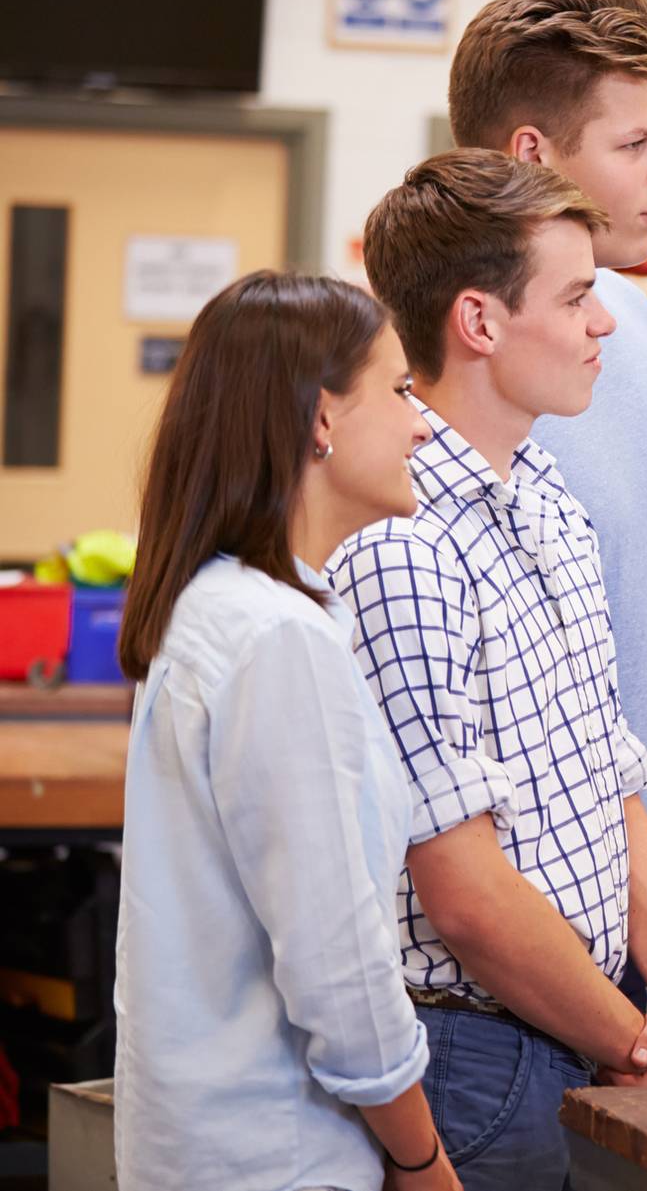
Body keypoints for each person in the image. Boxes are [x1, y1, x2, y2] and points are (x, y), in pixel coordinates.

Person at [335, 149, 647, 1189]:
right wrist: (635, 1039)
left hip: (580, 1032)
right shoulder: (402, 538)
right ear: (479, 322)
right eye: (580, 295)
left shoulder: (546, 487)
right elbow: (461, 890)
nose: (606, 324)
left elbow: (606, 765)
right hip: (472, 1055)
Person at [114, 271, 458, 1191]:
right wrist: (421, 1156)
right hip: (279, 1153)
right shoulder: (278, 638)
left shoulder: (223, 607)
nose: (421, 424)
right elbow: (338, 968)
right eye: (397, 391)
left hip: (205, 1143)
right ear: (320, 418)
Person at [449, 0, 647, 846]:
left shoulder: (629, 317)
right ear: (532, 154)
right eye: (635, 143)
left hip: (631, 885)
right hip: (504, 915)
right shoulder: (441, 358)